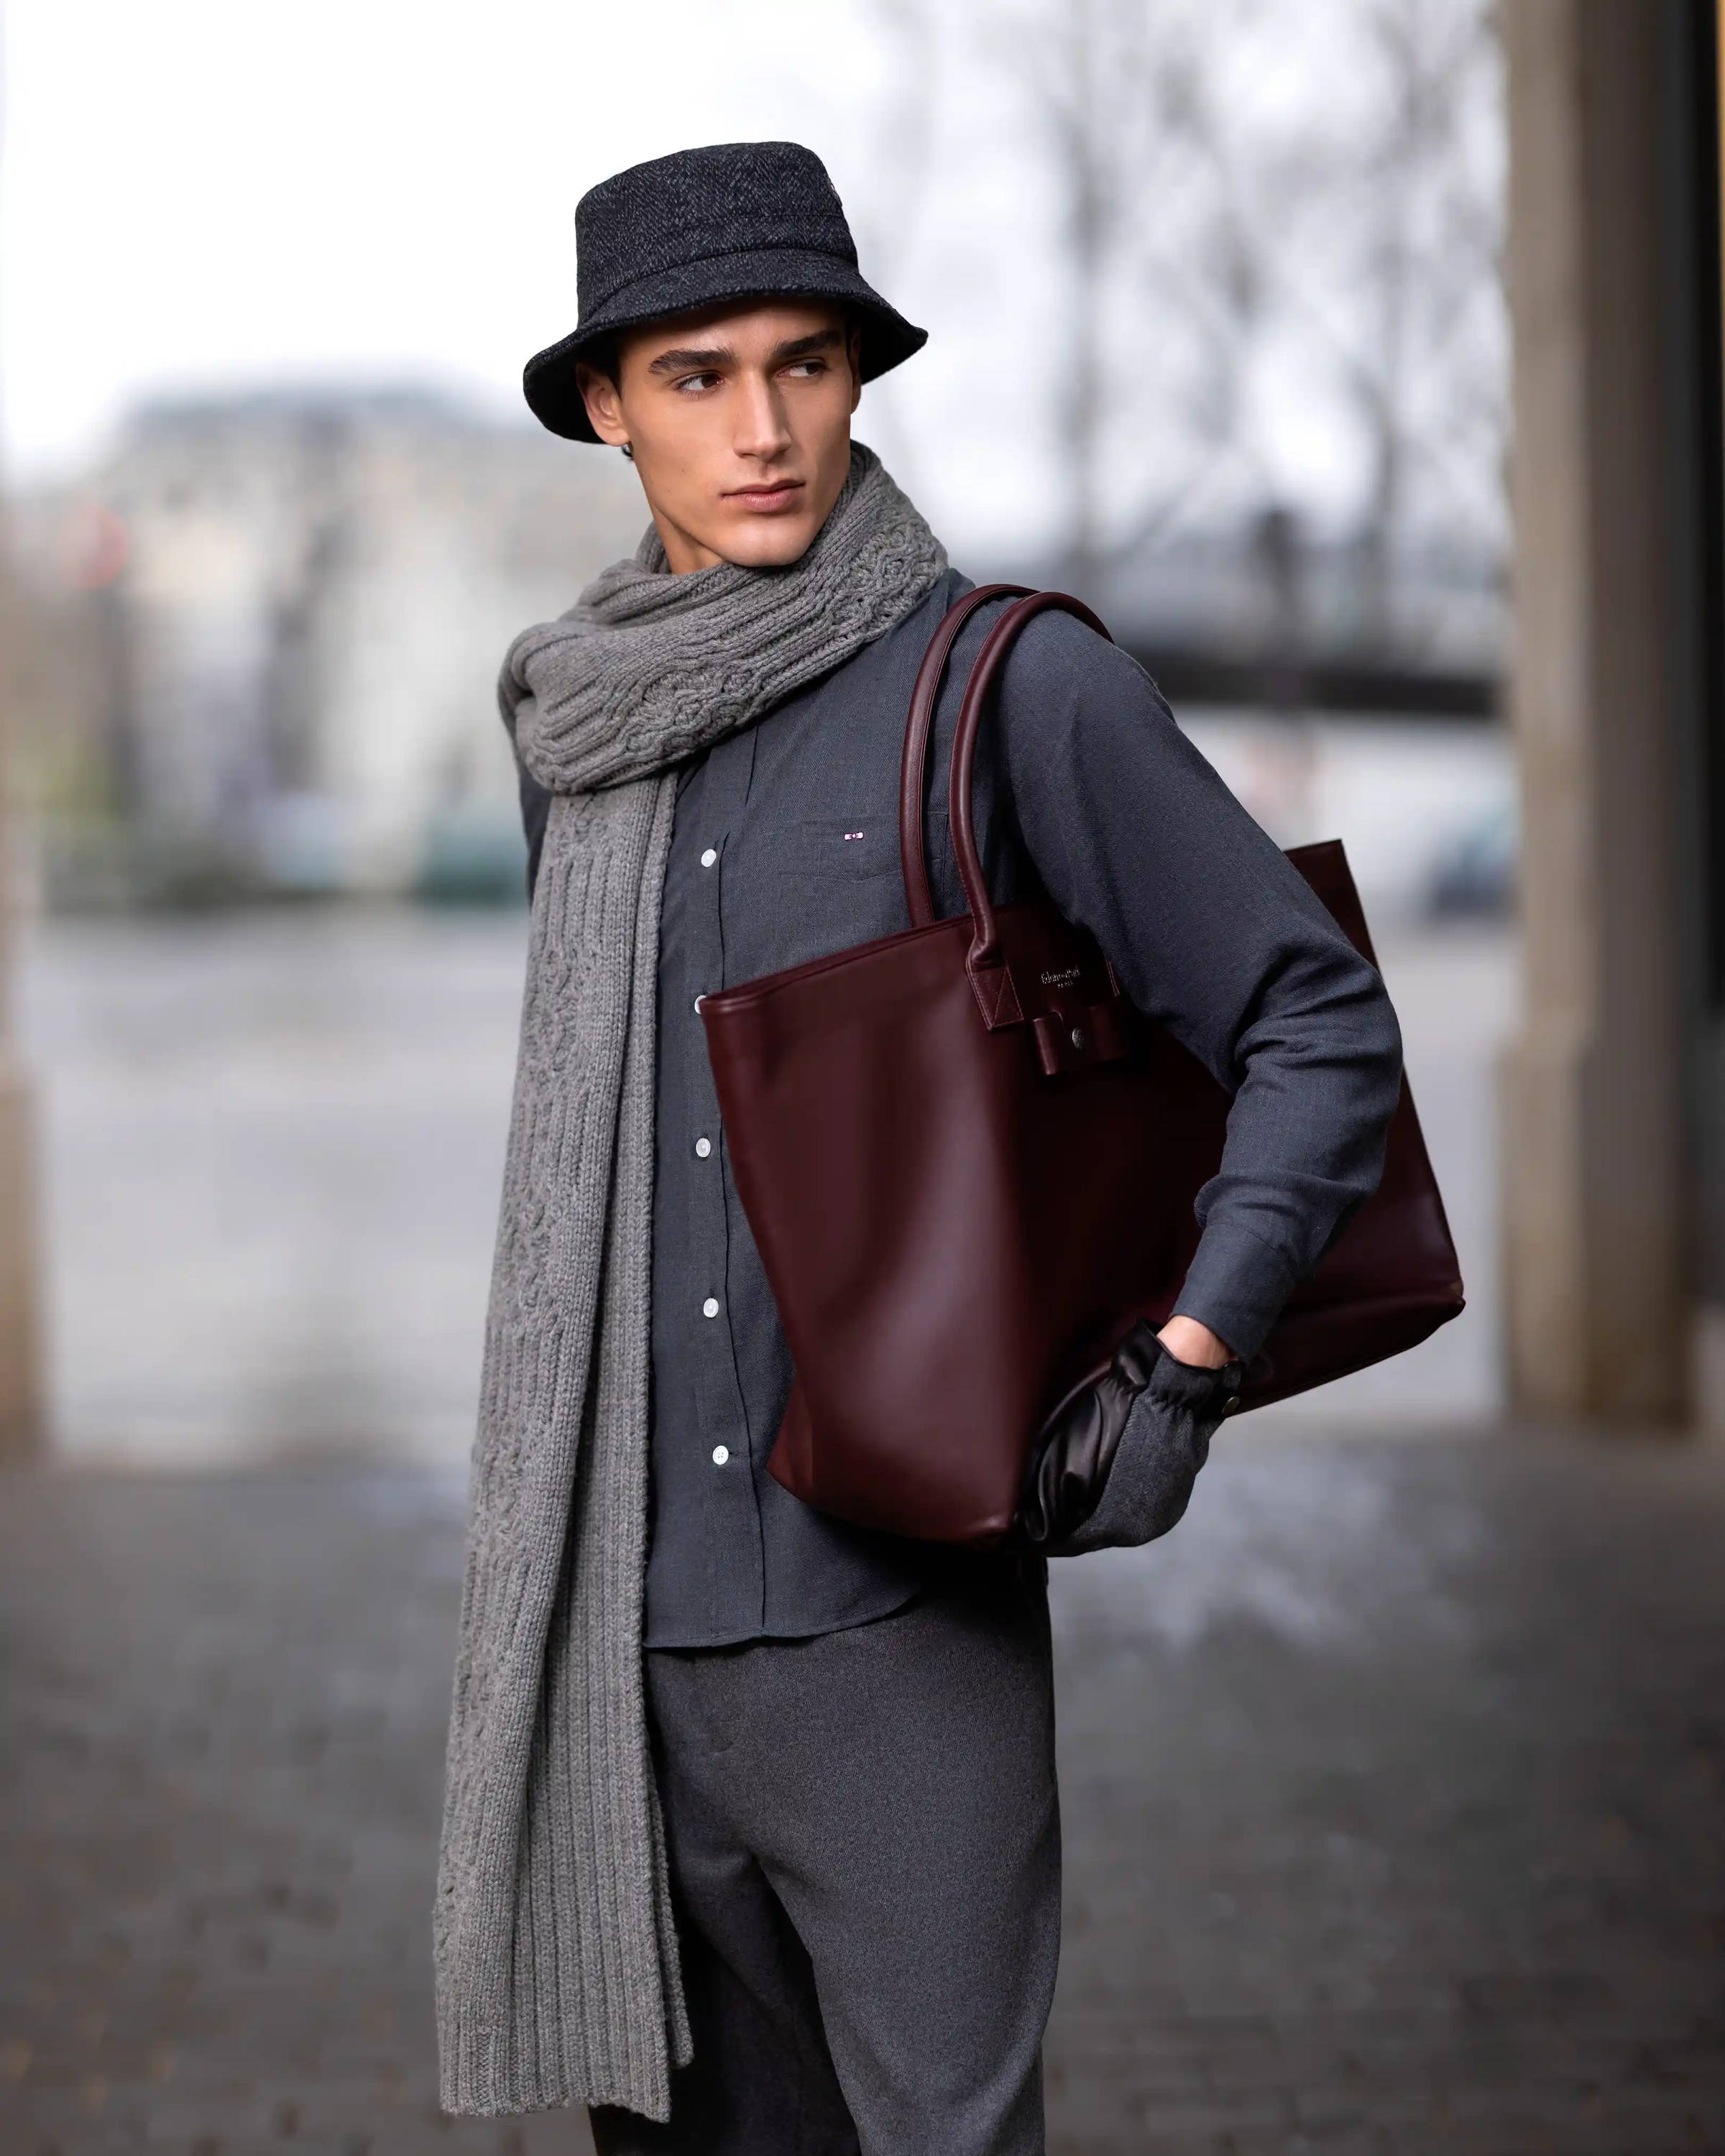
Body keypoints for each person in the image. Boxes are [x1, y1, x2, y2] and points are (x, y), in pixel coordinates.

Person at [433, 140, 1403, 2156]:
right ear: (606, 406)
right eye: (697, 377)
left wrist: (1189, 1363)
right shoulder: (577, 738)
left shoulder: (1010, 685)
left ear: (859, 377)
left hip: (896, 1630)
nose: (763, 429)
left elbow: (1313, 1018)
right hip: (619, 1638)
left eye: (804, 363)